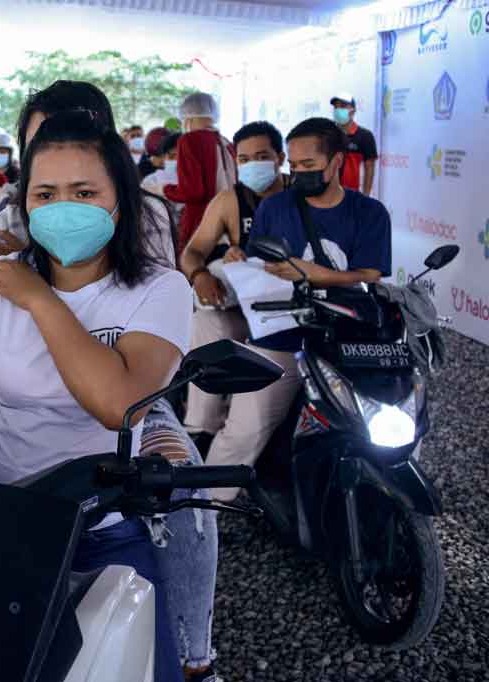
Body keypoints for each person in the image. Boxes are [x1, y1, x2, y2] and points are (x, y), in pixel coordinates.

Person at [0, 109, 220, 682]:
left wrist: (42, 301)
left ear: (119, 200)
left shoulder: (159, 290)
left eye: (84, 191)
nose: (62, 207)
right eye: (45, 193)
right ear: (24, 202)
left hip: (101, 526)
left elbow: (119, 404)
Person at [205, 117, 391, 502]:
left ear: (337, 161)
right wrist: (241, 258)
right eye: (294, 165)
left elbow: (369, 277)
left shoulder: (370, 213)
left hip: (349, 337)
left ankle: (384, 498)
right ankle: (204, 510)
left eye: (309, 166)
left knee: (388, 417)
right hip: (282, 333)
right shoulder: (275, 208)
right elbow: (260, 267)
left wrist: (313, 274)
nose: (298, 173)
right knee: (245, 427)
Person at [0, 81, 178, 271]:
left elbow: (157, 298)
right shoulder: (8, 224)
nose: (52, 157)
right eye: (36, 145)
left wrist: (28, 267)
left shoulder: (146, 215)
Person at [180, 121, 289, 454]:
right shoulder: (230, 200)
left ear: (280, 157)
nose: (252, 165)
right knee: (205, 322)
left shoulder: (300, 195)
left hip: (290, 314)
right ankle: (200, 427)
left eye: (261, 156)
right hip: (246, 307)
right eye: (243, 159)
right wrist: (199, 274)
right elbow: (192, 251)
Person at [163, 93, 235, 254]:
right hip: (230, 222)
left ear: (187, 117)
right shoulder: (227, 143)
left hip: (202, 222)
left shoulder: (189, 140)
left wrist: (164, 189)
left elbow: (193, 192)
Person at [330, 94, 378, 196]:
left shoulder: (365, 136)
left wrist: (365, 196)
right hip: (328, 194)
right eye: (335, 107)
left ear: (353, 110)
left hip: (351, 195)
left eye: (342, 106)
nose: (338, 110)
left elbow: (369, 168)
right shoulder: (327, 134)